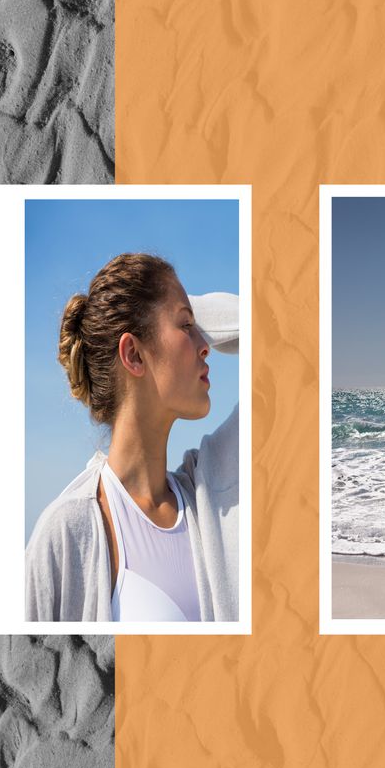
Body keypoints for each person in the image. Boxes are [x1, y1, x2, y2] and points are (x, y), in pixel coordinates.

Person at [25, 253, 239, 622]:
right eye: (186, 325)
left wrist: (190, 311)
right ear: (133, 355)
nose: (205, 345)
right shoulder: (66, 533)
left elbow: (290, 332)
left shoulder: (209, 494)